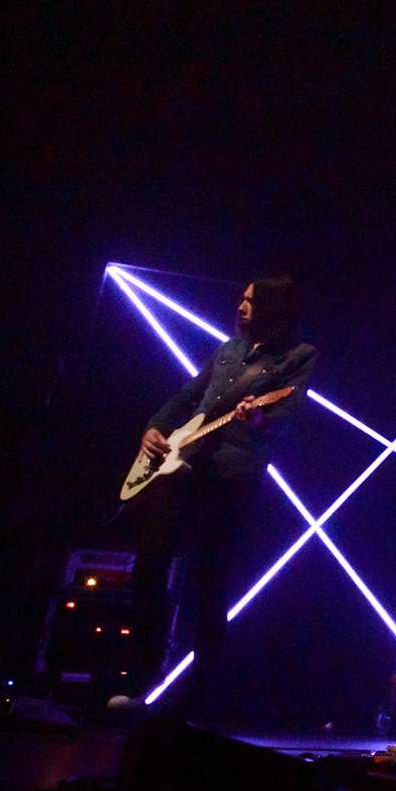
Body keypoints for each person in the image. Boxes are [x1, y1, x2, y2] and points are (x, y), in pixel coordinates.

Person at [110, 275, 316, 720]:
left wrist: (257, 417)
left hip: (231, 477)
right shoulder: (229, 349)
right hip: (184, 468)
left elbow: (285, 420)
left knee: (208, 579)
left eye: (250, 300)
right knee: (150, 563)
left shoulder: (298, 358)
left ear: (272, 308)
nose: (240, 306)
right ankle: (141, 675)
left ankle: (199, 691)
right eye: (241, 298)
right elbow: (190, 394)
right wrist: (156, 426)